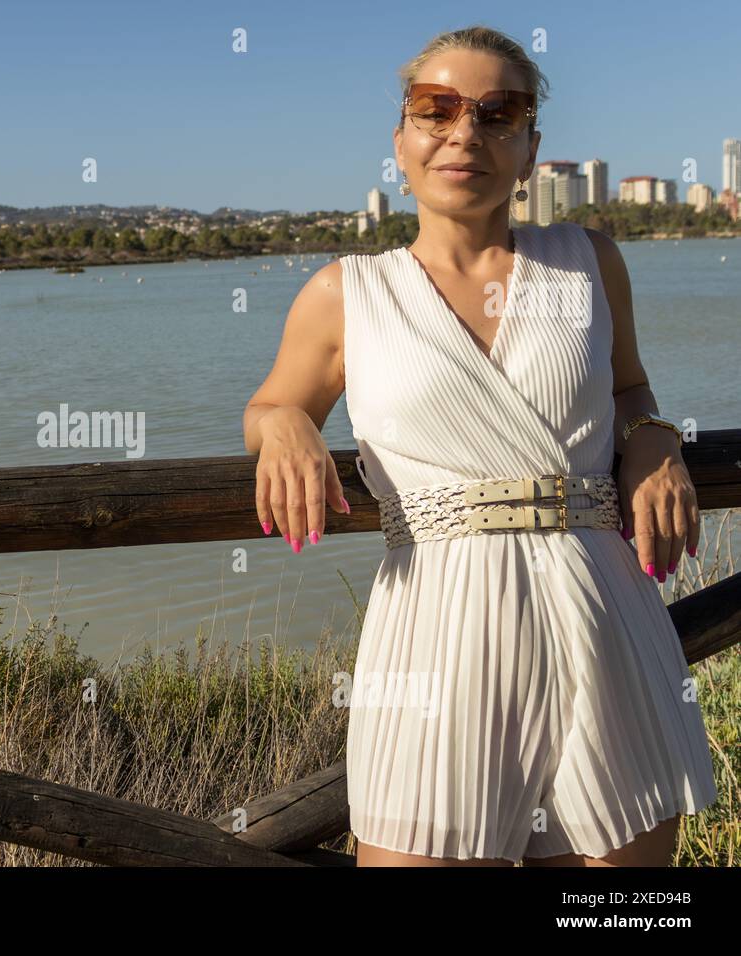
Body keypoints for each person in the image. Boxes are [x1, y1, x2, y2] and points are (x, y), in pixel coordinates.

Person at [242, 24, 717, 867]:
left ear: (530, 148)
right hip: (434, 632)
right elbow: (277, 401)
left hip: (602, 618)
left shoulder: (589, 263)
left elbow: (630, 388)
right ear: (402, 141)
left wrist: (652, 439)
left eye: (499, 113)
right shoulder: (344, 293)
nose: (466, 132)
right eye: (438, 109)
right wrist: (282, 424)